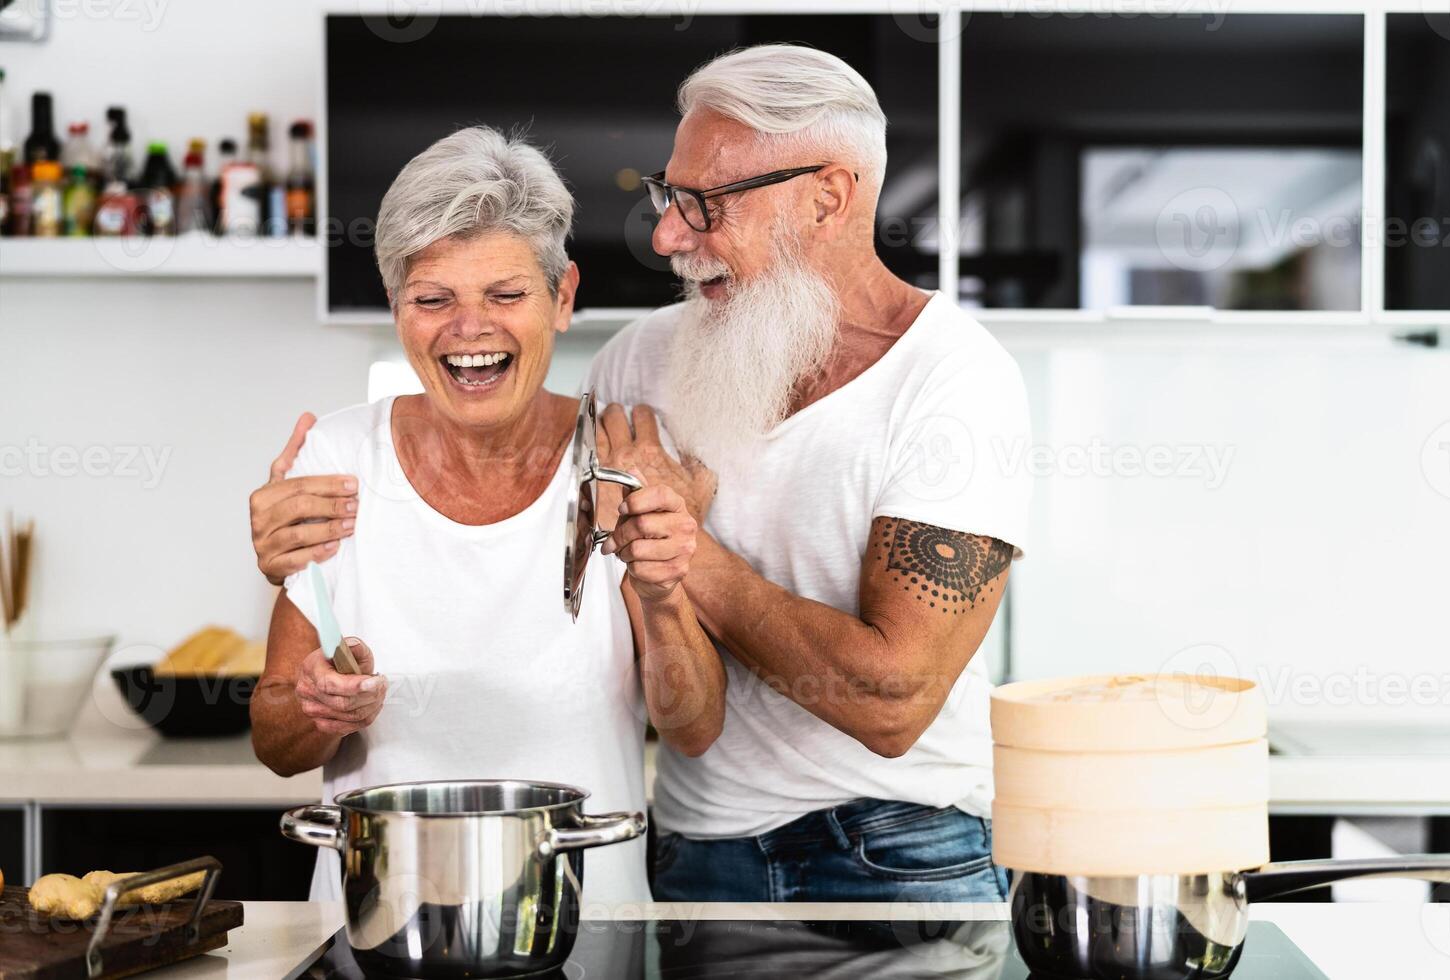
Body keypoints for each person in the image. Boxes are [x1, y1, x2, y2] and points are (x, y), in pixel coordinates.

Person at [251, 45, 1031, 903]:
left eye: (704, 203)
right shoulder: (640, 367)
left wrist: (683, 548)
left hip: (894, 844)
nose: (665, 235)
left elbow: (894, 703)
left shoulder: (955, 379)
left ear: (827, 197)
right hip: (696, 844)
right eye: (670, 196)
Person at [249, 127, 724, 907]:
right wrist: (317, 706)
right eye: (433, 299)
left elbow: (693, 728)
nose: (470, 330)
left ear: (563, 297)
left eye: (506, 296)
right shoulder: (338, 459)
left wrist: (668, 590)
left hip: (582, 922)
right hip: (377, 925)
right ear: (397, 308)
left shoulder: (620, 454)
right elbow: (276, 744)